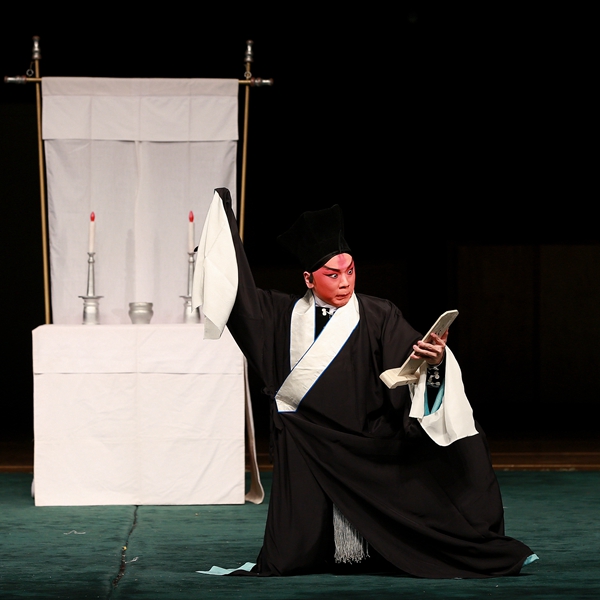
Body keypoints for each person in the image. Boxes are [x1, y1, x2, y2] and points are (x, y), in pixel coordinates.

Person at [193, 188, 538, 578]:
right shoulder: (280, 315)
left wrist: (435, 362)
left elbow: (410, 370)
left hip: (366, 441)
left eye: (350, 271)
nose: (345, 282)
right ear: (308, 279)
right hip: (307, 442)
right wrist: (224, 228)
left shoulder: (379, 315)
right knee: (289, 557)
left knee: (443, 465)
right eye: (332, 274)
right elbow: (239, 297)